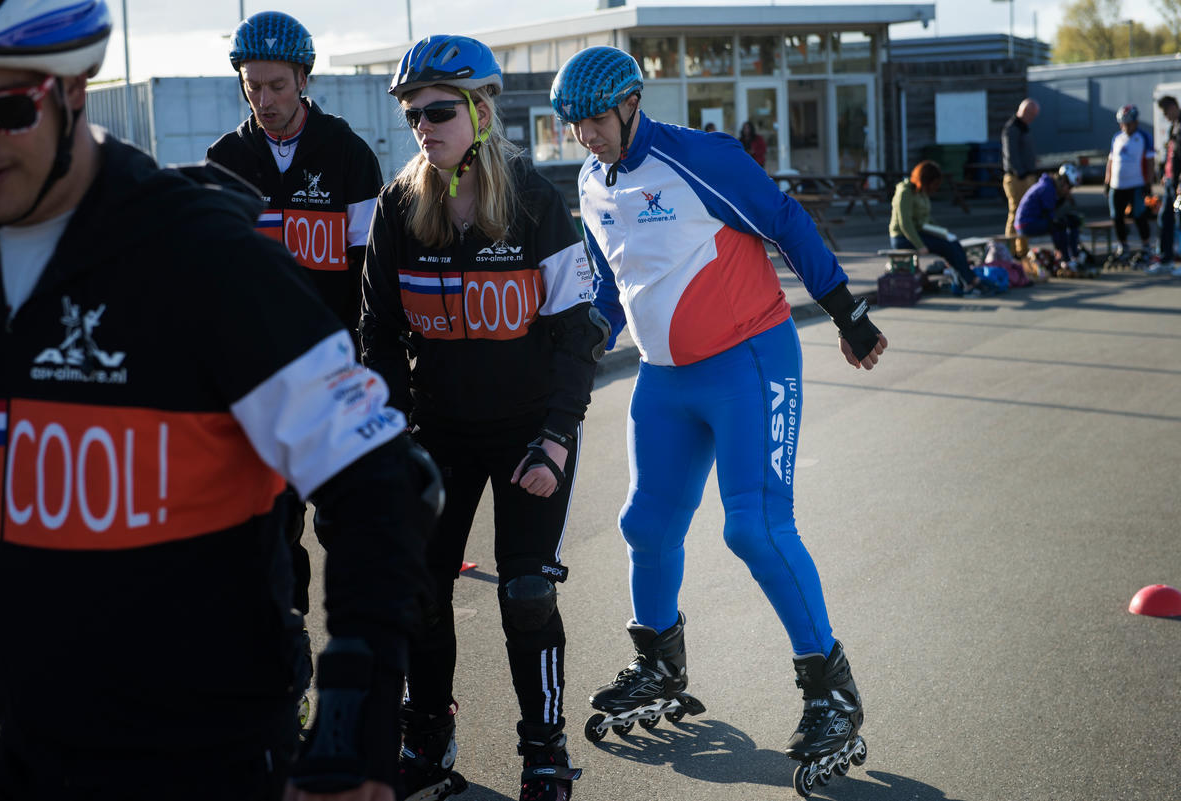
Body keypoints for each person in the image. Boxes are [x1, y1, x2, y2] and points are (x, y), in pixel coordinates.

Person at [0, 2, 434, 799]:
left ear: (76, 91)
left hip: (193, 755)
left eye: (6, 110)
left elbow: (382, 483)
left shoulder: (197, 248)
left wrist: (350, 730)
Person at [550, 45, 885, 784]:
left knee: (755, 527)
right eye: (574, 125)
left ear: (631, 103)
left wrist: (847, 311)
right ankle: (658, 664)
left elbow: (783, 219)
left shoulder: (698, 158)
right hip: (664, 381)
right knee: (644, 523)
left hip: (748, 362)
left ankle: (831, 691)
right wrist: (583, 341)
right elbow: (612, 279)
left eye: (596, 120)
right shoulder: (590, 181)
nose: (586, 136)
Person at [360, 35, 607, 801]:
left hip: (530, 428)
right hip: (438, 429)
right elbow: (377, 333)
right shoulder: (400, 207)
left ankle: (545, 751)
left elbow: (577, 331)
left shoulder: (536, 202)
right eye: (411, 114)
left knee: (526, 592)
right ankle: (428, 735)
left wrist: (559, 435)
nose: (422, 126)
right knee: (421, 591)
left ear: (481, 110)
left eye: (438, 110)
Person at [206, 10, 385, 695]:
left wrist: (375, 375)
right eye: (254, 87)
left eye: (277, 85)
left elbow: (375, 281)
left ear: (304, 79)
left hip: (336, 380)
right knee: (271, 536)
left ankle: (359, 676)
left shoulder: (349, 155)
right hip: (258, 388)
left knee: (347, 533)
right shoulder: (226, 160)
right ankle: (288, 668)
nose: (266, 100)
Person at [889, 161, 994, 295]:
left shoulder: (921, 192)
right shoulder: (905, 192)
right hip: (903, 237)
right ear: (926, 180)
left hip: (920, 233)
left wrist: (943, 232)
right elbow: (905, 223)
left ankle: (966, 281)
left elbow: (927, 219)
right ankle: (969, 282)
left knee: (953, 243)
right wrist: (920, 245)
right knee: (947, 247)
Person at [1104, 104, 1155, 263]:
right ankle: (1123, 247)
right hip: (1117, 185)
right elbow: (1111, 160)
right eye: (1122, 123)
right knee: (1117, 217)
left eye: (1127, 123)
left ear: (1135, 122)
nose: (1124, 126)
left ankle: (1146, 246)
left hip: (1136, 183)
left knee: (1139, 215)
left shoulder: (1143, 137)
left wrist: (1148, 183)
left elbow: (1150, 161)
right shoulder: (1117, 138)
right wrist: (1107, 180)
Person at [1015, 164, 1086, 272]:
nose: (1069, 191)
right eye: (1069, 187)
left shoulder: (1051, 186)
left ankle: (1075, 255)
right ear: (1063, 182)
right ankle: (1066, 259)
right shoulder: (1047, 188)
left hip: (1033, 221)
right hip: (1025, 224)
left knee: (1071, 222)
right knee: (1059, 226)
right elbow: (1051, 216)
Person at [1001, 98, 1039, 255]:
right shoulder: (1012, 128)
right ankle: (1009, 249)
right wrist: (1021, 172)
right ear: (1025, 112)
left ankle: (1021, 248)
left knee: (1026, 213)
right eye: (1032, 115)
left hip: (1026, 176)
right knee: (1015, 211)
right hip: (1017, 178)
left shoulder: (1023, 128)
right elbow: (1011, 154)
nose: (1033, 119)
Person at [1153, 95, 1181, 276]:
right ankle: (1166, 259)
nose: (1165, 116)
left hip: (1179, 184)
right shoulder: (1174, 126)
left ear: (1173, 107)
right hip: (1171, 182)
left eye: (1165, 112)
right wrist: (1166, 174)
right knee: (1165, 219)